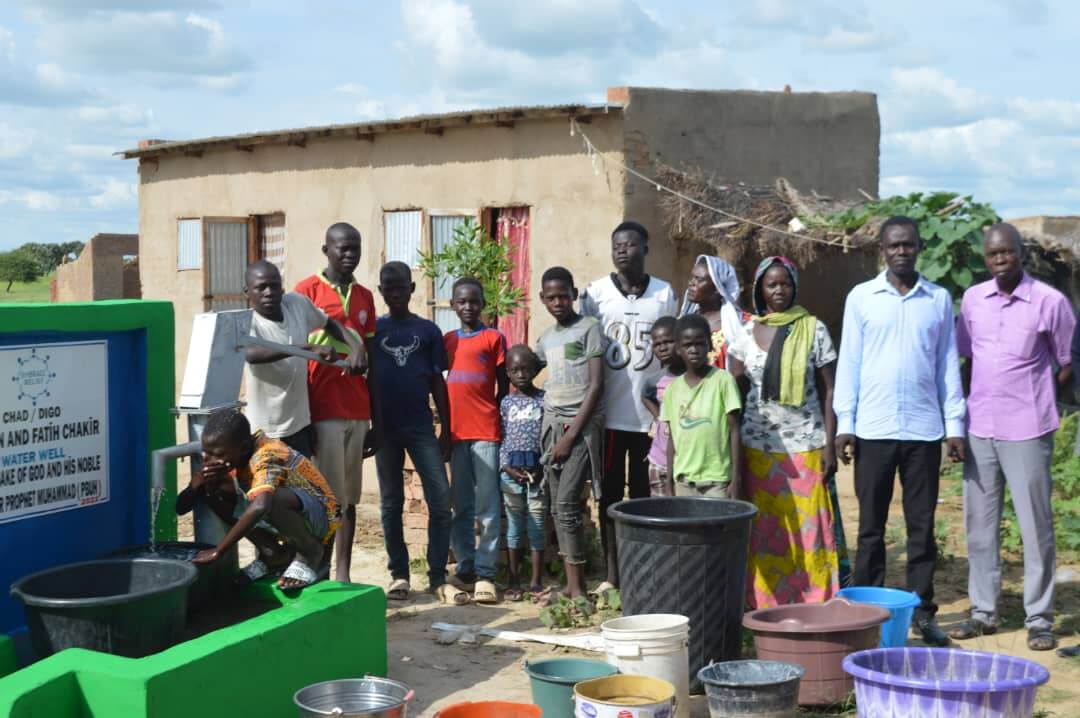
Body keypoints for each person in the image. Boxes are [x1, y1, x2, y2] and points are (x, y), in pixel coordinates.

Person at [833, 216, 966, 647]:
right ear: (882, 250)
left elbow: (948, 365)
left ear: (920, 247)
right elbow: (849, 363)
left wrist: (954, 427)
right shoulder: (862, 298)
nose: (901, 252)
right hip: (873, 428)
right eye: (894, 246)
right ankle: (870, 614)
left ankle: (923, 613)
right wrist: (845, 425)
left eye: (908, 245)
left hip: (924, 431)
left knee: (921, 527)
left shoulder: (938, 299)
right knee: (870, 527)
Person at [951, 223, 1075, 651]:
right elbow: (966, 358)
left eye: (1007, 253)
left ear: (1021, 253)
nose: (1000, 260)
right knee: (979, 527)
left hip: (1028, 428)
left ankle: (1039, 617)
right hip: (981, 426)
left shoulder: (1050, 302)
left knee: (1034, 525)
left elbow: (1064, 362)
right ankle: (984, 612)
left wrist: (1036, 400)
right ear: (984, 259)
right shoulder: (972, 301)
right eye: (992, 254)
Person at [727, 256, 840, 609]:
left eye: (785, 283)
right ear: (760, 289)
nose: (779, 290)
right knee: (765, 532)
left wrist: (830, 446)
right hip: (757, 449)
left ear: (794, 287)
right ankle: (765, 607)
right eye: (771, 284)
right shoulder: (745, 334)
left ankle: (813, 605)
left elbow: (829, 391)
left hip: (805, 445)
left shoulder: (814, 328)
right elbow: (733, 392)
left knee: (809, 534)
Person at [580, 221, 679, 593]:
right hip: (608, 416)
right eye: (617, 244)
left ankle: (643, 570)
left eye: (631, 244)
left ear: (646, 249)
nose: (623, 250)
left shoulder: (664, 294)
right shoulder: (595, 293)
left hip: (649, 418)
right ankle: (612, 575)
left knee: (642, 498)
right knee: (608, 498)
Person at [371, 261, 466, 606]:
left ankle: (438, 575)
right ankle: (399, 574)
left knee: (441, 501)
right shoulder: (374, 332)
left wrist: (446, 428)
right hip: (385, 429)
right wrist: (374, 426)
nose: (395, 293)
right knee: (390, 502)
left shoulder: (427, 332)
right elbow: (368, 383)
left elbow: (437, 383)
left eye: (401, 287)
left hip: (421, 427)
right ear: (381, 291)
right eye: (388, 287)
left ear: (412, 289)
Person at [294, 222, 380, 583]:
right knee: (325, 498)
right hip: (323, 409)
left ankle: (343, 575)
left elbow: (371, 357)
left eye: (355, 248)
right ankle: (318, 569)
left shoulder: (364, 296)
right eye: (342, 248)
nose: (349, 255)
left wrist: (373, 416)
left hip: (357, 411)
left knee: (350, 498)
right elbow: (293, 354)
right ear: (325, 250)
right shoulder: (304, 292)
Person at [193, 409, 341, 591]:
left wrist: (219, 550)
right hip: (290, 514)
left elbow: (262, 505)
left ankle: (309, 553)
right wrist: (198, 483)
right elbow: (181, 507)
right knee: (214, 491)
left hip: (320, 516)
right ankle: (272, 554)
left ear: (244, 448)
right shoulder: (234, 456)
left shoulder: (266, 455)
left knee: (271, 498)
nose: (211, 460)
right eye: (206, 453)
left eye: (219, 454)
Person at [243, 260, 365, 457]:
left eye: (274, 285)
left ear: (282, 288)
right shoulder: (246, 322)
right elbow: (251, 355)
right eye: (261, 287)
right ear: (247, 292)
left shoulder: (297, 304)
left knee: (304, 488)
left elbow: (330, 324)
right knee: (267, 488)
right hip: (263, 432)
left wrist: (356, 347)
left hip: (300, 427)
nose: (269, 292)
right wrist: (305, 348)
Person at [536, 266, 605, 600]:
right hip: (551, 424)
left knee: (566, 504)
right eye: (551, 297)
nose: (558, 302)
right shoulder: (546, 338)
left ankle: (578, 590)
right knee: (554, 508)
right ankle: (568, 584)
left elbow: (596, 386)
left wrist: (569, 437)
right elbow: (525, 367)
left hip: (578, 429)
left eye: (564, 295)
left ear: (574, 294)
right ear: (542, 300)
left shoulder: (589, 329)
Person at [444, 277, 508, 604]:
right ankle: (466, 566)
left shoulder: (494, 338)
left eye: (473, 301)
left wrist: (502, 426)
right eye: (461, 301)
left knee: (487, 506)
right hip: (456, 434)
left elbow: (504, 388)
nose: (468, 307)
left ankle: (486, 572)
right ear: (453, 305)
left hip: (486, 432)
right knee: (461, 506)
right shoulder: (447, 340)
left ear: (482, 304)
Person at [661, 313, 743, 497]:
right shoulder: (672, 390)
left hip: (717, 481)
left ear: (710, 344)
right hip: (683, 481)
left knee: (717, 526)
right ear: (678, 349)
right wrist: (669, 483)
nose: (694, 349)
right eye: (687, 345)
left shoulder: (723, 380)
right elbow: (672, 438)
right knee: (686, 526)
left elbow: (735, 430)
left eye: (699, 343)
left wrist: (736, 479)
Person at [499, 344, 548, 602]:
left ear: (534, 370)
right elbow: (502, 439)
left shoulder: (544, 399)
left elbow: (549, 438)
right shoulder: (506, 403)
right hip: (510, 474)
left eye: (526, 369)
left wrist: (543, 467)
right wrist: (507, 467)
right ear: (507, 372)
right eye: (515, 370)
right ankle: (514, 579)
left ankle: (536, 581)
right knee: (515, 526)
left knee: (537, 525)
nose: (521, 374)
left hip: (537, 474)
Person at [679, 254, 749, 369]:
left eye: (699, 279)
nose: (691, 283)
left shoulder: (742, 324)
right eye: (692, 277)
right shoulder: (684, 322)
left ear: (717, 287)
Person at [641, 316, 682, 496]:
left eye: (669, 342)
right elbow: (645, 395)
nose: (663, 347)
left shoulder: (696, 377)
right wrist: (658, 417)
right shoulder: (655, 379)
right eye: (657, 344)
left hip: (687, 463)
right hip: (659, 460)